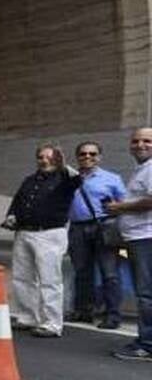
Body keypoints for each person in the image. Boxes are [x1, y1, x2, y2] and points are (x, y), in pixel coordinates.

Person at [0, 145, 82, 338]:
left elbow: (77, 181)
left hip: (50, 234)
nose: (44, 160)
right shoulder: (29, 180)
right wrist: (11, 216)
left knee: (49, 280)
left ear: (57, 160)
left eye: (49, 157)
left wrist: (64, 166)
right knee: (22, 278)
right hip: (23, 233)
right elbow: (17, 201)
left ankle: (52, 323)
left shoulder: (65, 178)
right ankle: (28, 317)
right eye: (40, 157)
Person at [102, 127, 152, 361]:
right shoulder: (142, 169)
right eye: (136, 141)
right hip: (138, 238)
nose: (140, 145)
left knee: (146, 293)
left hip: (145, 238)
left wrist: (118, 207)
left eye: (147, 141)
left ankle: (147, 345)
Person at [65, 141, 126, 329]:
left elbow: (124, 204)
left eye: (92, 154)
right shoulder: (69, 179)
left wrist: (116, 210)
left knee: (109, 274)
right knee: (82, 272)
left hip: (104, 227)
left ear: (99, 157)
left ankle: (112, 315)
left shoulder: (112, 178)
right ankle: (84, 311)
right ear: (78, 157)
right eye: (83, 154)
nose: (87, 157)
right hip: (77, 229)